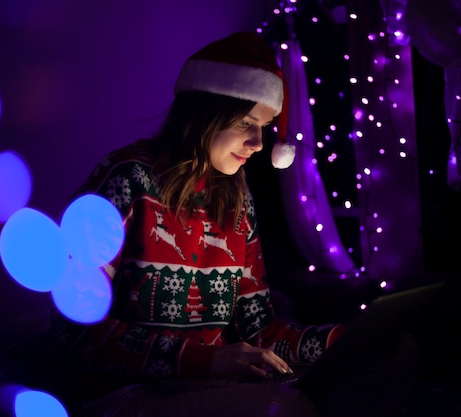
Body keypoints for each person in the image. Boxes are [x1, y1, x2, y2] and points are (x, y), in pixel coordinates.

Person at [51, 31, 421, 417]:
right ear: (204, 114)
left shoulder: (236, 197)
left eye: (265, 126)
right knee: (284, 408)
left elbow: (257, 331)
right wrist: (206, 362)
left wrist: (345, 341)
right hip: (126, 393)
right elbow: (75, 334)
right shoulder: (125, 179)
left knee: (394, 358)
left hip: (217, 383)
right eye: (247, 122)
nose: (259, 143)